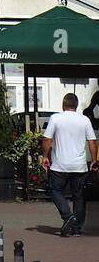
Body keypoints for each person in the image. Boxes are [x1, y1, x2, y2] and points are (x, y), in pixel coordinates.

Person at [42, 92, 98, 236]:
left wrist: (45, 157)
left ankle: (68, 216)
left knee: (55, 190)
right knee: (78, 196)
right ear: (76, 105)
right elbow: (92, 142)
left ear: (63, 104)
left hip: (60, 165)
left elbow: (47, 139)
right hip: (79, 166)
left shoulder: (56, 118)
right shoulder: (84, 120)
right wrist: (94, 160)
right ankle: (77, 227)